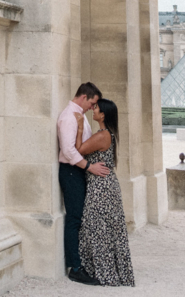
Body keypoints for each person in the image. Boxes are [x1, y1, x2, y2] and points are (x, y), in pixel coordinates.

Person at [75, 98, 135, 287]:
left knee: (96, 228)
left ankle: (103, 273)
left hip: (101, 188)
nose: (94, 110)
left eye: (97, 108)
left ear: (103, 115)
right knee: (107, 229)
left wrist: (78, 128)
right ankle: (110, 271)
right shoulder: (109, 133)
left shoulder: (103, 135)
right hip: (106, 186)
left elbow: (78, 150)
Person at [58, 83, 110, 284]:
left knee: (80, 218)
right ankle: (75, 268)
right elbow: (69, 151)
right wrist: (90, 167)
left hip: (78, 170)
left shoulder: (78, 116)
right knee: (75, 218)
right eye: (93, 102)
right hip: (72, 171)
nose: (93, 106)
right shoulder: (68, 117)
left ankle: (82, 263)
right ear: (84, 97)